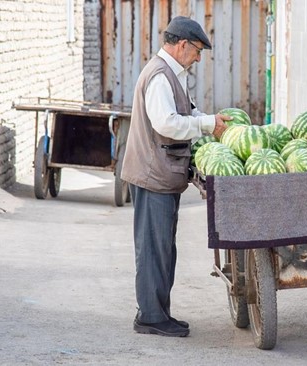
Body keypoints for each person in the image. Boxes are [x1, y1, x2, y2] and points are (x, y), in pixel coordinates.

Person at [120, 16, 230, 337]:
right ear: (182, 45)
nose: (198, 59)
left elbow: (189, 113)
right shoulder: (159, 76)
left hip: (164, 175)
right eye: (197, 51)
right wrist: (205, 124)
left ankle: (159, 312)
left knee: (164, 247)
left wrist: (211, 121)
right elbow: (166, 123)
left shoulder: (174, 74)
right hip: (153, 175)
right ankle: (151, 318)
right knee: (153, 248)